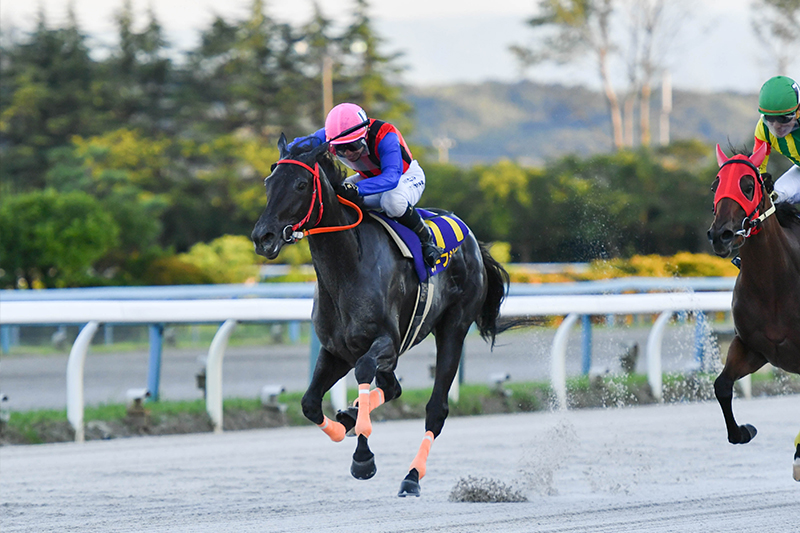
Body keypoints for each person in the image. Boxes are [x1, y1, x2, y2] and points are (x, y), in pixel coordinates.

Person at [289, 103, 444, 268]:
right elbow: (295, 146)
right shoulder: (329, 135)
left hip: (404, 176)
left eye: (352, 146)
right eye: (340, 149)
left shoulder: (386, 135)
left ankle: (427, 239)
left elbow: (391, 177)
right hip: (367, 177)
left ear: (365, 133)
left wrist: (358, 189)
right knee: (330, 197)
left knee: (391, 201)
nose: (348, 153)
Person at [753, 75, 800, 205]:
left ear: (798, 110)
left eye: (783, 118)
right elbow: (759, 166)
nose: (777, 126)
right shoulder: (763, 129)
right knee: (773, 198)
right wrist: (762, 179)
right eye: (770, 118)